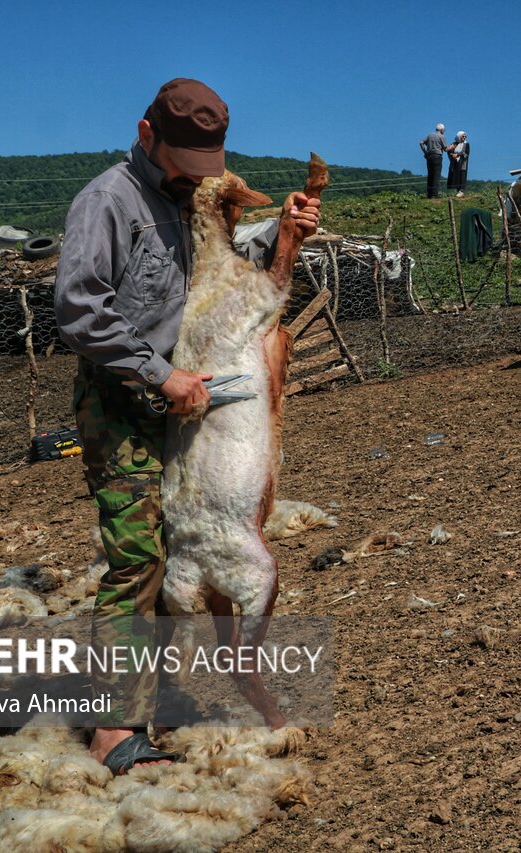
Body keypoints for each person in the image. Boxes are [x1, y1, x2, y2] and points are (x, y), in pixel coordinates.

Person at [53, 78, 320, 775]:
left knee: (176, 556)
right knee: (140, 557)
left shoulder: (180, 203)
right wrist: (159, 373)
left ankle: (153, 694)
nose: (191, 179)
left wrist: (283, 228)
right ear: (146, 135)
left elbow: (209, 286)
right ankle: (113, 732)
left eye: (206, 167)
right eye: (182, 163)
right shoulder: (108, 201)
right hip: (122, 404)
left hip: (181, 402)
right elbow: (80, 308)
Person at [419, 122, 448, 199]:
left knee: (430, 175)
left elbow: (421, 143)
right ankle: (434, 195)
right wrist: (453, 146)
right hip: (437, 157)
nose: (444, 131)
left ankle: (429, 194)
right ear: (441, 129)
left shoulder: (430, 135)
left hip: (429, 157)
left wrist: (425, 152)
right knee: (436, 176)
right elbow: (445, 149)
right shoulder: (442, 136)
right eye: (444, 130)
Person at [447, 131, 469, 197]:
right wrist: (453, 155)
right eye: (463, 136)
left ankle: (461, 191)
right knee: (456, 176)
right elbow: (449, 152)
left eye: (465, 136)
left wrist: (458, 154)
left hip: (462, 163)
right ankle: (458, 190)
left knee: (462, 176)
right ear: (459, 136)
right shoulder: (454, 144)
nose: (464, 137)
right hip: (455, 163)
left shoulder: (466, 144)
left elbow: (466, 154)